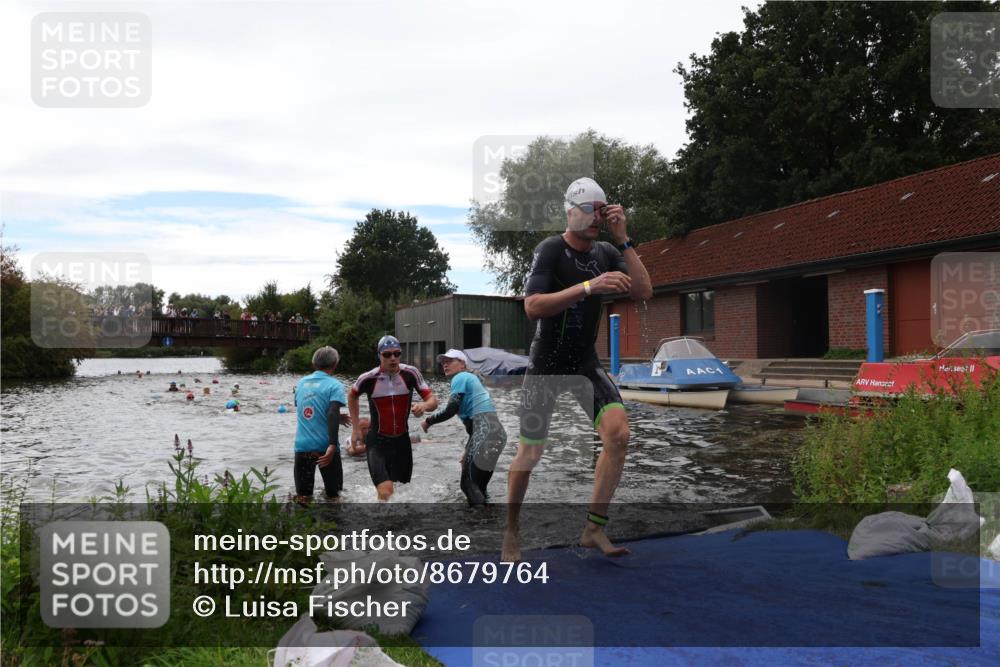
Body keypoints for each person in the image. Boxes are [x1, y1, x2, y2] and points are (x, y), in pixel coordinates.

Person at [502, 176, 653, 562]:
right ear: (568, 211)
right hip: (548, 362)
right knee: (530, 453)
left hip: (584, 362)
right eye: (587, 209)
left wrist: (624, 240)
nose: (594, 218)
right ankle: (511, 531)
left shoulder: (606, 251)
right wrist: (589, 287)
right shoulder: (551, 249)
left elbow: (643, 291)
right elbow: (532, 306)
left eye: (600, 211)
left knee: (618, 435)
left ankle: (593, 528)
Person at [349, 335, 438, 501]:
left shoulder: (411, 373)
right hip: (377, 443)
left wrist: (423, 407)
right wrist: (355, 428)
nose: (393, 358)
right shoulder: (368, 378)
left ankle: (396, 527)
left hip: (402, 443)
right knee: (386, 492)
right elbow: (352, 395)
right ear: (379, 356)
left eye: (397, 353)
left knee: (402, 495)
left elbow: (433, 400)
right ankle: (380, 527)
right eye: (387, 354)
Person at [421, 349, 507, 507]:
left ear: (462, 364)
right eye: (443, 362)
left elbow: (451, 409)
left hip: (485, 432)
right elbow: (477, 426)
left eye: (450, 361)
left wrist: (428, 421)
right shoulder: (471, 379)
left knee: (467, 484)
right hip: (497, 434)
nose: (445, 364)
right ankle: (489, 520)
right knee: (479, 486)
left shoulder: (460, 377)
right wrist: (468, 449)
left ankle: (480, 523)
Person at [292, 346, 348, 502]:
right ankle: (334, 526)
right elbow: (332, 412)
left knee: (303, 497)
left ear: (314, 363)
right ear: (335, 364)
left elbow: (307, 409)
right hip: (325, 447)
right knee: (334, 496)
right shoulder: (335, 385)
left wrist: (337, 416)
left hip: (302, 446)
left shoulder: (301, 383)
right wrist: (331, 445)